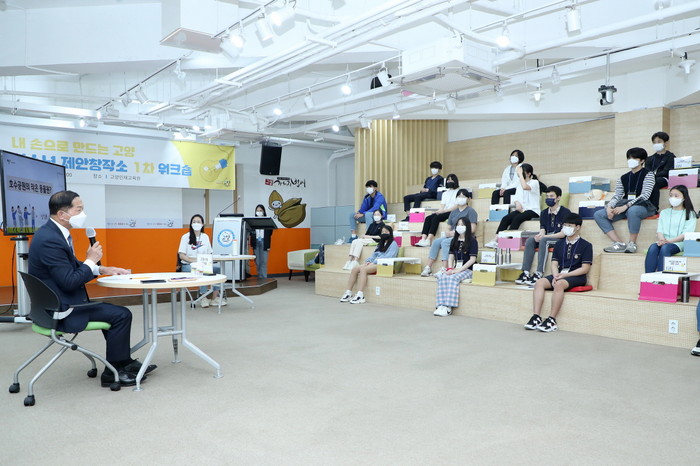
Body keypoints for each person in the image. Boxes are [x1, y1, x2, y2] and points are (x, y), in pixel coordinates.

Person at [27, 190, 156, 387]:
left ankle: (123, 362)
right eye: (79, 210)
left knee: (112, 311)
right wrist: (91, 260)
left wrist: (102, 268)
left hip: (57, 304)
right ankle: (113, 371)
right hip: (62, 310)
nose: (83, 214)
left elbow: (69, 266)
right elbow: (69, 281)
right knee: (121, 315)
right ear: (62, 214)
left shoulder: (52, 233)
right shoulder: (50, 240)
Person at [523, 213, 593, 333]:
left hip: (576, 276)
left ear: (578, 227)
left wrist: (565, 275)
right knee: (539, 282)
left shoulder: (586, 245)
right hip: (560, 274)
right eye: (565, 225)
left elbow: (585, 269)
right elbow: (554, 263)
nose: (566, 228)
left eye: (569, 225)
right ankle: (536, 317)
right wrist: (555, 275)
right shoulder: (559, 244)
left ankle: (552, 320)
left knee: (559, 284)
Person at [594, 147, 658, 253]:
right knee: (599, 214)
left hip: (645, 206)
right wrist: (609, 206)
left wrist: (626, 206)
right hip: (626, 206)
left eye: (634, 158)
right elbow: (617, 195)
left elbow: (645, 195)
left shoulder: (649, 174)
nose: (631, 160)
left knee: (632, 211)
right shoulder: (623, 177)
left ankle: (632, 243)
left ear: (642, 160)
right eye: (629, 158)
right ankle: (619, 243)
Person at [515, 186, 571, 286]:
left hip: (560, 239)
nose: (549, 198)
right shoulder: (544, 213)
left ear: (558, 197)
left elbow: (563, 234)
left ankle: (539, 273)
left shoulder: (565, 212)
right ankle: (525, 273)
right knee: (530, 240)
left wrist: (544, 237)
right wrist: (540, 236)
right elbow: (543, 230)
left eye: (551, 196)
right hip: (546, 238)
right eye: (547, 196)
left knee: (544, 241)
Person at [420, 189, 478, 276]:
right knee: (436, 242)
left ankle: (445, 268)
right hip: (453, 234)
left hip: (463, 236)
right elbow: (449, 226)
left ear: (468, 199)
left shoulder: (471, 211)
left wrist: (456, 233)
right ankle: (428, 267)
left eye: (463, 196)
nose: (461, 198)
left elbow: (472, 229)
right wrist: (448, 232)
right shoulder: (453, 212)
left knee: (445, 242)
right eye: (459, 196)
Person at [485, 163, 541, 248]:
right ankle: (495, 240)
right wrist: (517, 203)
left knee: (517, 218)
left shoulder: (534, 182)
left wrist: (521, 175)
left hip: (533, 210)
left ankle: (506, 241)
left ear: (529, 174)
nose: (519, 174)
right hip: (522, 210)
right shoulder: (519, 184)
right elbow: (516, 197)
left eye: (522, 172)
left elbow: (525, 187)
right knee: (506, 218)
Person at [340, 225, 399, 304]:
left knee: (363, 270)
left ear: (390, 233)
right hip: (374, 263)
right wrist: (369, 261)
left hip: (384, 264)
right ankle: (348, 292)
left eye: (386, 232)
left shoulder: (393, 244)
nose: (384, 233)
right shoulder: (380, 243)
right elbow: (374, 255)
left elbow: (389, 257)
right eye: (382, 232)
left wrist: (374, 262)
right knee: (355, 269)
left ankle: (360, 295)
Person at [644, 185, 697, 273]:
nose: (673, 198)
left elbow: (685, 234)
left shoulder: (690, 214)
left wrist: (669, 241)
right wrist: (662, 240)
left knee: (665, 248)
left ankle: (663, 276)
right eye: (671, 195)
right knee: (653, 247)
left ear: (684, 197)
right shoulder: (664, 212)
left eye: (676, 196)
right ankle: (648, 277)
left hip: (679, 243)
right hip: (664, 241)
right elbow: (660, 230)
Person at [433, 218, 478, 317]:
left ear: (467, 226)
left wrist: (458, 271)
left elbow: (472, 260)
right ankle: (440, 305)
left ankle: (448, 307)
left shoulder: (472, 241)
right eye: (458, 224)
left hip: (468, 270)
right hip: (456, 269)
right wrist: (450, 269)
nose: (460, 226)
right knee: (443, 276)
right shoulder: (454, 240)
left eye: (462, 224)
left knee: (453, 278)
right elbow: (451, 256)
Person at [178, 214, 223, 308]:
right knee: (201, 270)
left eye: (198, 222)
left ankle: (215, 297)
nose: (196, 223)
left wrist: (206, 261)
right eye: (194, 222)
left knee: (217, 269)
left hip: (203, 264)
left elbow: (210, 253)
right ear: (191, 224)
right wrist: (192, 260)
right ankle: (203, 297)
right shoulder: (185, 237)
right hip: (188, 265)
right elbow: (181, 255)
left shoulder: (205, 237)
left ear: (202, 224)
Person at [415, 173, 460, 247]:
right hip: (444, 211)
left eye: (451, 180)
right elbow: (442, 205)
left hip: (453, 212)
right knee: (428, 218)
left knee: (436, 218)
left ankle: (429, 240)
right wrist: (439, 211)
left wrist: (444, 211)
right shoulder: (445, 193)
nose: (449, 181)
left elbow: (457, 205)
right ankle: (423, 239)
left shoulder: (458, 192)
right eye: (448, 180)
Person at [249, 204, 273, 279]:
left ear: (263, 211)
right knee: (258, 261)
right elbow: (251, 232)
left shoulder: (267, 220)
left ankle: (264, 278)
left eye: (260, 210)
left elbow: (270, 232)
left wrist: (268, 245)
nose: (259, 212)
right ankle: (260, 276)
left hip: (264, 242)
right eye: (257, 210)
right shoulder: (253, 220)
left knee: (263, 261)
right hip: (256, 242)